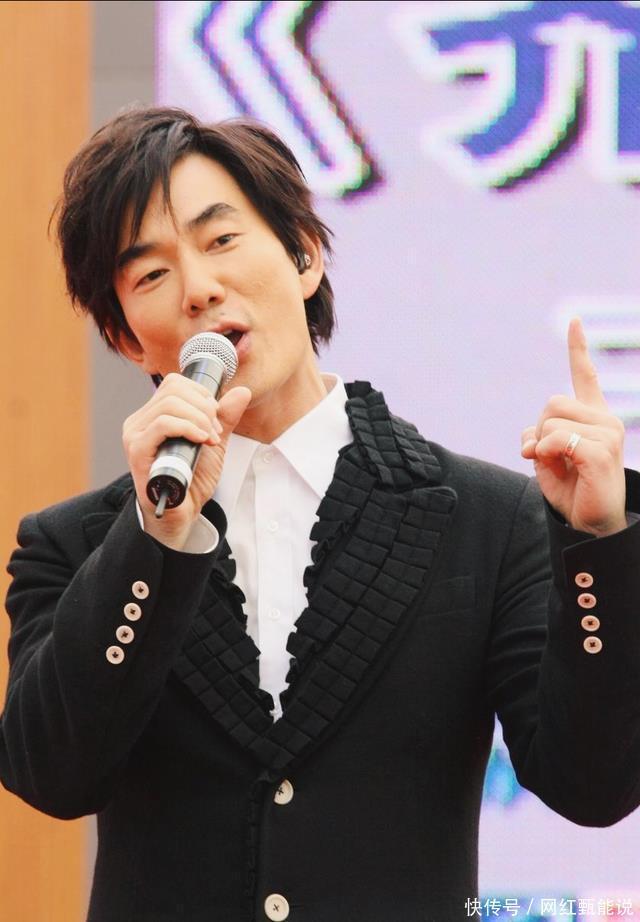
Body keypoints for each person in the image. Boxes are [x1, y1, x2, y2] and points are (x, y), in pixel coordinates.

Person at [1, 106, 640, 922]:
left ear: (304, 255)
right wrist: (152, 539)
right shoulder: (72, 548)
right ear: (128, 339)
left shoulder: (484, 519)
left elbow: (593, 784)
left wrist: (598, 543)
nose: (199, 288)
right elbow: (53, 775)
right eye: (151, 275)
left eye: (221, 239)